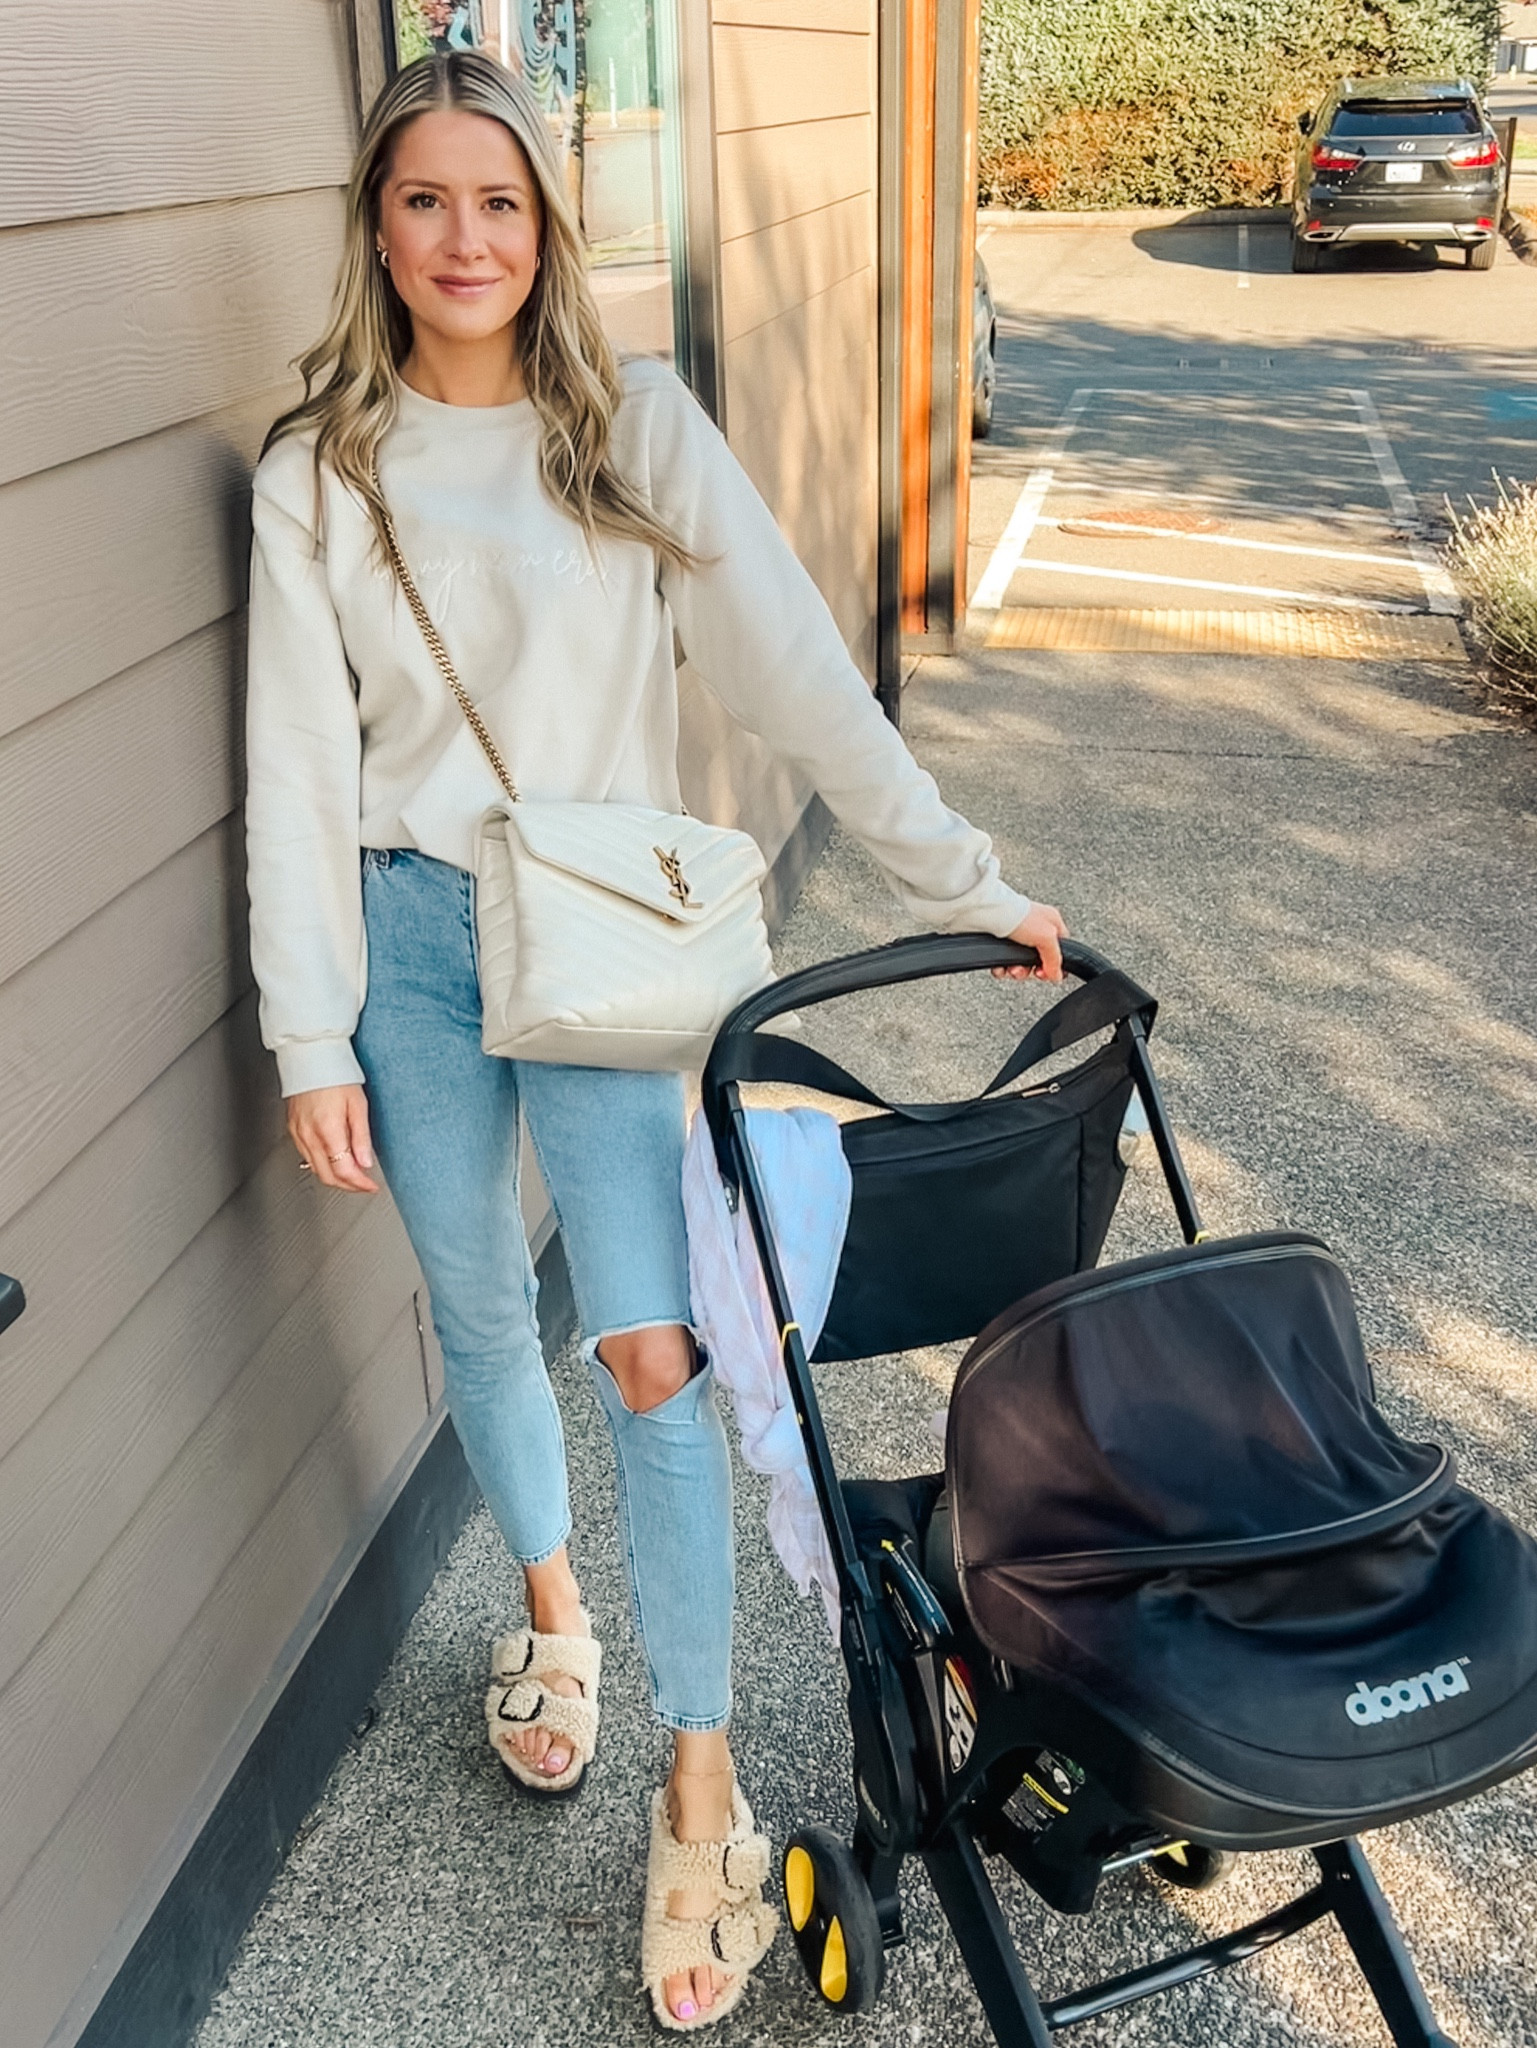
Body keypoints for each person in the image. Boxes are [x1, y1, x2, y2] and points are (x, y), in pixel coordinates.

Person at [244, 48, 1065, 2033]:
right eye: (426, 201)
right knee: (466, 1303)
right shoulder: (318, 473)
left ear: (553, 221)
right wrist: (309, 1032)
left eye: (500, 203)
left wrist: (962, 880)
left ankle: (698, 1779)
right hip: (411, 942)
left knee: (653, 1350)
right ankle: (553, 1615)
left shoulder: (639, 434)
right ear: (378, 221)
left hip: (609, 944)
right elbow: (290, 769)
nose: (464, 240)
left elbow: (803, 682)